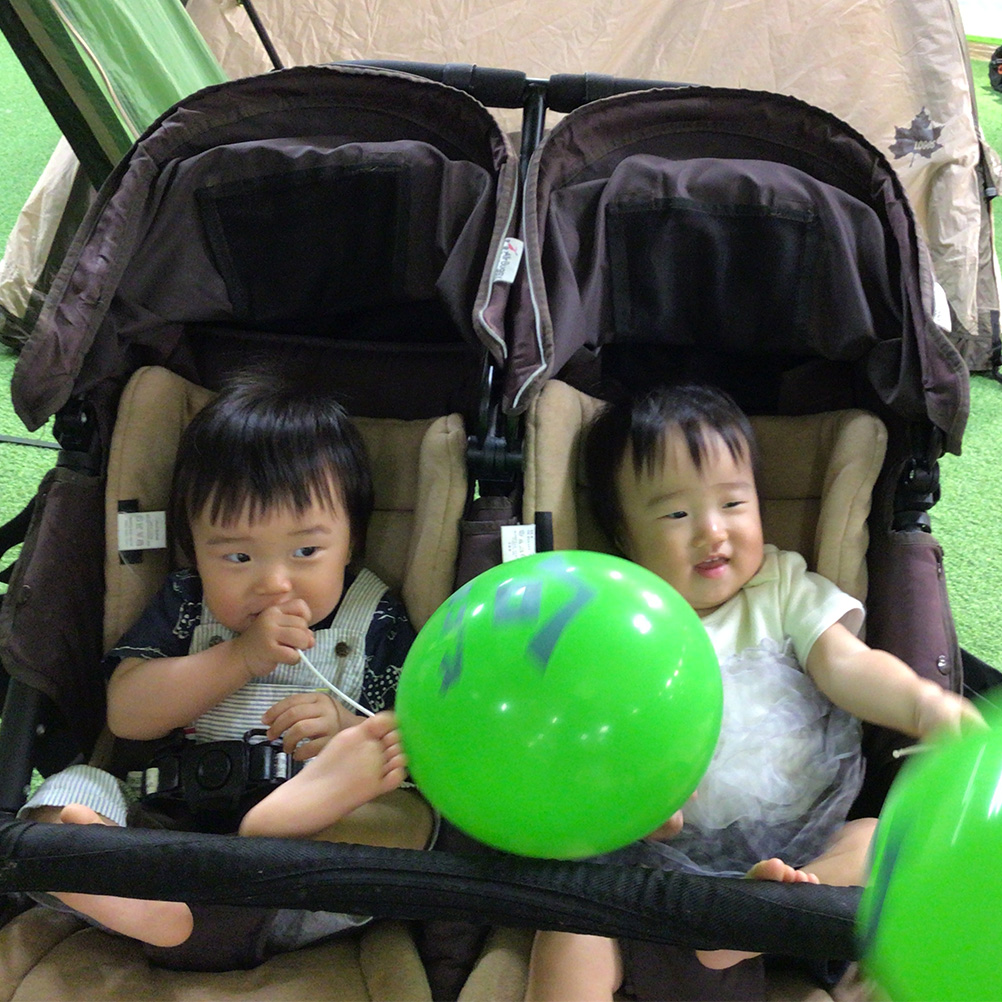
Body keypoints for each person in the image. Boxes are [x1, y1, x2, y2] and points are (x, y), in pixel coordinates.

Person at [525, 383, 984, 1002]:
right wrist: (630, 805)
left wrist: (923, 704)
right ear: (625, 538)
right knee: (568, 925)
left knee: (878, 839)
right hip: (654, 857)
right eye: (676, 515)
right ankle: (742, 919)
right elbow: (582, 736)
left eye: (733, 503)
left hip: (805, 841)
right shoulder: (615, 617)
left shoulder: (781, 585)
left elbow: (846, 664)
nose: (711, 532)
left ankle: (761, 913)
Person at [19, 366, 429, 965]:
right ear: (194, 549)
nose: (274, 581)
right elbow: (127, 714)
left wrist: (346, 728)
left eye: (306, 550)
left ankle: (264, 842)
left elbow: (411, 736)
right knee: (64, 799)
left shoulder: (378, 616)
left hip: (306, 872)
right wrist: (238, 657)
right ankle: (149, 904)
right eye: (237, 556)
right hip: (167, 840)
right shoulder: (187, 603)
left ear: (351, 541)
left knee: (406, 815)